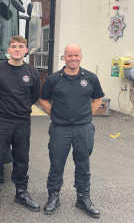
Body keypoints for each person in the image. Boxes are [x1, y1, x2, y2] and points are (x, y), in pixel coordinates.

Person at [39, 44, 104, 218]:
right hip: (60, 129)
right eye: (69, 56)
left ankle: (83, 198)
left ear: (81, 57)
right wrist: (54, 113)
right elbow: (43, 99)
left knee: (83, 164)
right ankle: (53, 196)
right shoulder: (54, 79)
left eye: (76, 55)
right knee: (56, 164)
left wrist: (88, 112)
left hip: (84, 129)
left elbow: (98, 98)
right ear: (64, 58)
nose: (73, 58)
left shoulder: (90, 77)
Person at [0, 35, 40, 212]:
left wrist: (21, 109)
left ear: (26, 50)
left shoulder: (32, 72)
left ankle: (21, 193)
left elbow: (33, 97)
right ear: (8, 50)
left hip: (23, 121)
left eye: (20, 46)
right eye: (13, 46)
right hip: (1, 121)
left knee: (22, 158)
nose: (17, 49)